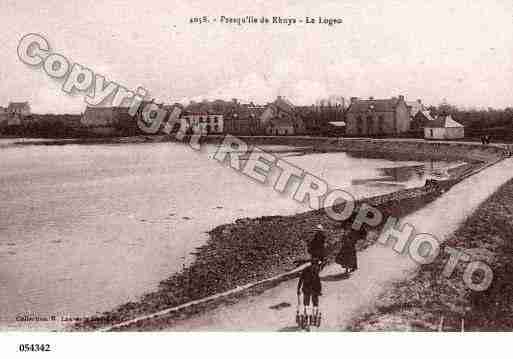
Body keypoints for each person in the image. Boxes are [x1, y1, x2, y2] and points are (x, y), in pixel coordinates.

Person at [297, 260, 322, 327]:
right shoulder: (316, 270)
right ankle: (312, 317)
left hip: (307, 289)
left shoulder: (305, 270)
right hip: (313, 289)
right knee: (315, 303)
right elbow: (318, 281)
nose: (317, 266)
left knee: (306, 303)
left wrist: (298, 289)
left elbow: (300, 280)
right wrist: (319, 291)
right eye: (316, 265)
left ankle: (307, 317)